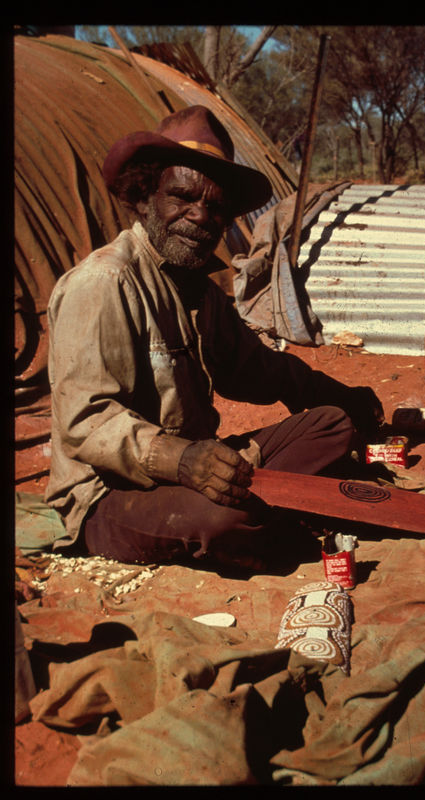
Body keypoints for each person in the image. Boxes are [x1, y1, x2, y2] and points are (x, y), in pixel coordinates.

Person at [45, 105, 384, 571]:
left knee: (331, 424)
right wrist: (181, 459)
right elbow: (87, 423)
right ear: (145, 198)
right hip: (110, 494)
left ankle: (270, 511)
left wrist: (339, 395)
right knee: (228, 521)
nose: (200, 216)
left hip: (197, 473)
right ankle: (272, 516)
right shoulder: (104, 282)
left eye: (216, 206)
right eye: (183, 197)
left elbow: (257, 370)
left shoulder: (198, 290)